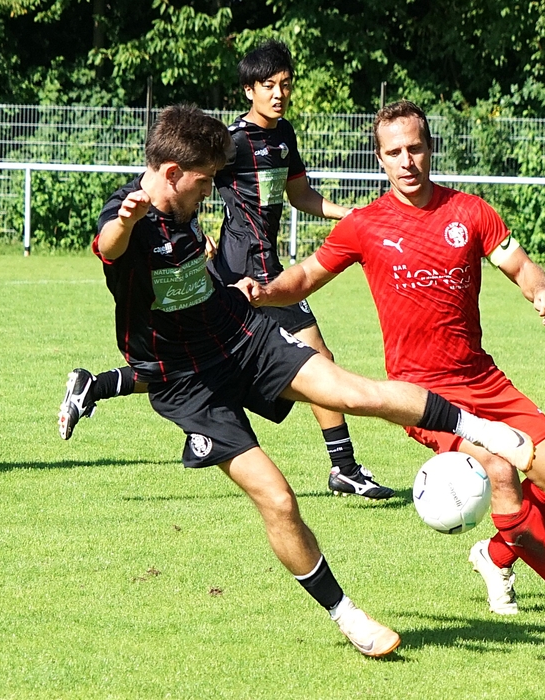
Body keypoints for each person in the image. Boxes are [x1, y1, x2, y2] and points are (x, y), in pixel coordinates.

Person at [87, 103, 535, 657]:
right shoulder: (127, 213)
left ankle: (481, 430)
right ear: (173, 173)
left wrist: (228, 287)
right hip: (189, 384)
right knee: (277, 498)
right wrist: (126, 221)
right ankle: (349, 617)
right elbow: (109, 245)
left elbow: (187, 274)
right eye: (204, 184)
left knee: (353, 392)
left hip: (239, 335)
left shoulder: (183, 202)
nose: (209, 193)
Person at [236, 100, 545, 626]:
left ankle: (495, 555)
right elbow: (303, 277)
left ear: (430, 148)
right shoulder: (365, 225)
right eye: (394, 152)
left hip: (482, 376)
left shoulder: (470, 212)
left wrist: (541, 290)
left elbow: (521, 266)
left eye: (415, 148)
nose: (406, 161)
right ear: (380, 159)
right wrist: (264, 292)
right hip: (422, 394)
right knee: (499, 470)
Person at [60, 40, 394, 501]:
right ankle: (345, 467)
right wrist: (165, 227)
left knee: (190, 364)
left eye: (285, 84)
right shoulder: (232, 142)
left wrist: (349, 215)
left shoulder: (284, 135)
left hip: (258, 263)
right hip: (245, 268)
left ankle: (96, 386)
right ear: (248, 90)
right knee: (318, 358)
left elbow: (299, 195)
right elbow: (178, 185)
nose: (279, 94)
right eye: (268, 85)